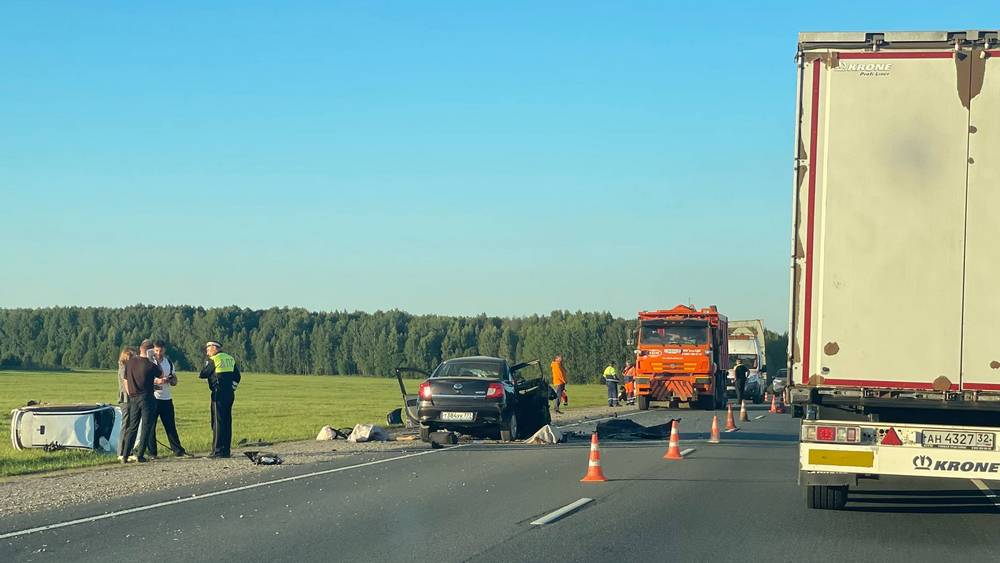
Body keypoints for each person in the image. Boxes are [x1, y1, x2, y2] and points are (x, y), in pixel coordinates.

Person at [120, 341, 165, 463]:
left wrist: (130, 393)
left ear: (140, 349)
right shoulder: (150, 365)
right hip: (147, 397)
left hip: (133, 397)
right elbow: (161, 375)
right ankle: (140, 455)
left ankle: (125, 455)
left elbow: (125, 380)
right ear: (150, 351)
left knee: (132, 427)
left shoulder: (130, 363)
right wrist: (155, 360)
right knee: (146, 426)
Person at [200, 341, 241, 458]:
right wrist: (232, 387)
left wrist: (207, 364)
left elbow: (203, 374)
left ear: (214, 348)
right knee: (227, 422)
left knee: (217, 422)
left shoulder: (215, 359)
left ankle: (217, 451)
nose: (207, 351)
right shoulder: (230, 358)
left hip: (218, 393)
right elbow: (237, 376)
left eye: (208, 348)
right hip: (229, 394)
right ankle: (226, 450)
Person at [146, 340, 186, 457]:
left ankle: (177, 449)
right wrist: (157, 381)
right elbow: (145, 380)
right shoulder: (150, 362)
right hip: (153, 398)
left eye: (161, 350)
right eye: (157, 350)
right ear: (153, 350)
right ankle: (152, 452)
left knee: (170, 425)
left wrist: (171, 380)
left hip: (167, 398)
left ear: (164, 350)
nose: (159, 353)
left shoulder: (168, 362)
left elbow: (174, 378)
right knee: (151, 426)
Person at [116, 346, 136, 460]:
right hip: (125, 399)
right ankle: (121, 452)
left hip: (129, 398)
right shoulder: (123, 367)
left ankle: (128, 450)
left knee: (130, 425)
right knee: (126, 424)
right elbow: (126, 383)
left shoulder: (126, 367)